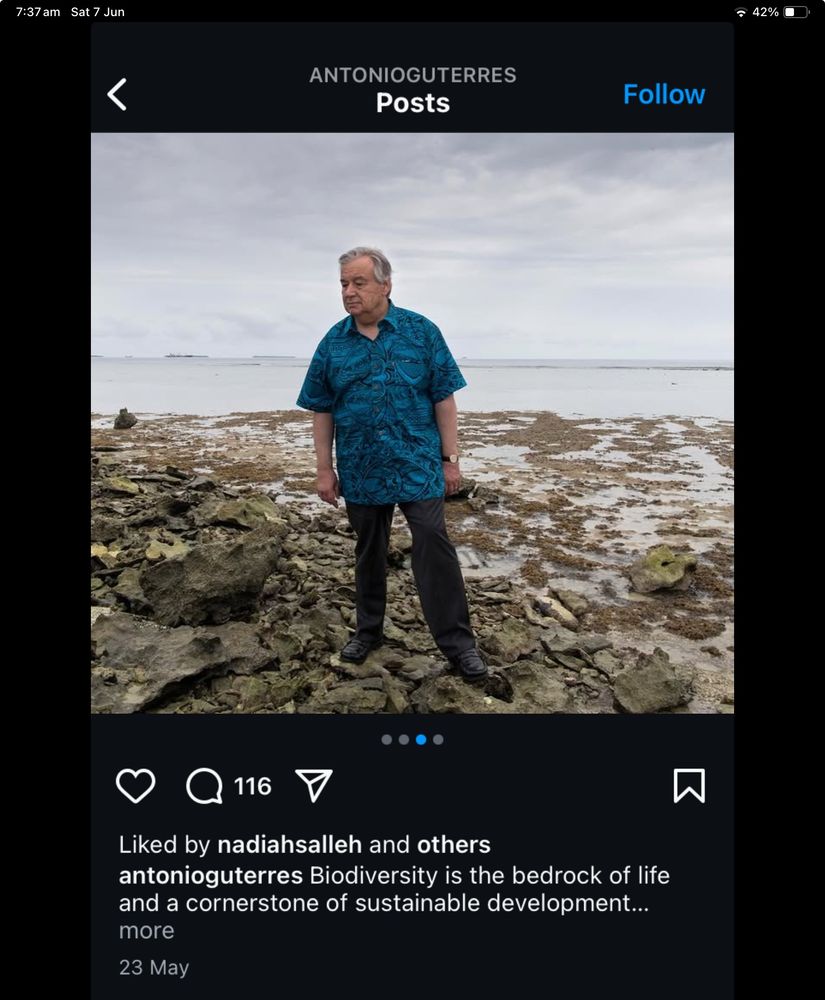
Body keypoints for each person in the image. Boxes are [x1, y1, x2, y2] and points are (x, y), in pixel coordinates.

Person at [296, 247, 487, 679]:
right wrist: (324, 469)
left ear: (385, 285)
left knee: (433, 544)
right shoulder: (332, 343)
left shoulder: (421, 332)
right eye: (343, 283)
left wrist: (451, 460)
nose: (349, 291)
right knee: (369, 551)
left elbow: (444, 399)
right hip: (361, 468)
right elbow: (322, 408)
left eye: (358, 282)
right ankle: (368, 631)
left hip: (418, 464)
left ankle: (459, 646)